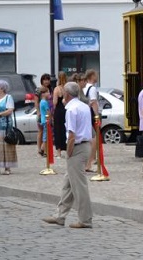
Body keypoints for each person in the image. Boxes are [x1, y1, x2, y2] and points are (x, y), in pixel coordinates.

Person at [42, 81, 94, 229]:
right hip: (84, 145)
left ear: (67, 94)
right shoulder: (84, 106)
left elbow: (71, 135)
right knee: (68, 185)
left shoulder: (71, 109)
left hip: (76, 148)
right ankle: (60, 215)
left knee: (79, 186)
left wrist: (69, 152)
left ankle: (85, 219)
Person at [83, 69, 100, 173]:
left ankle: (88, 161)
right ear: (92, 76)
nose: (97, 77)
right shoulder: (92, 88)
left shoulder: (84, 88)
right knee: (94, 138)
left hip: (85, 113)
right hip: (91, 113)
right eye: (96, 75)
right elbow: (93, 102)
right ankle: (91, 160)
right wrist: (97, 116)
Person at [53, 71, 68, 158]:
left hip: (58, 111)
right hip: (66, 110)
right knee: (66, 129)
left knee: (58, 130)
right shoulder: (67, 88)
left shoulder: (57, 89)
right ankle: (67, 149)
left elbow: (55, 102)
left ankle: (58, 152)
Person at [37, 73, 51, 157]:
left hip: (43, 120)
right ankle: (43, 149)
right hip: (45, 120)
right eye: (47, 93)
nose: (49, 94)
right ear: (43, 94)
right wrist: (50, 117)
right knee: (45, 136)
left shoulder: (42, 102)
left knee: (45, 135)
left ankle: (43, 149)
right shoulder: (45, 102)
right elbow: (48, 111)